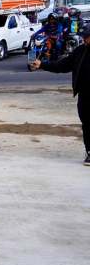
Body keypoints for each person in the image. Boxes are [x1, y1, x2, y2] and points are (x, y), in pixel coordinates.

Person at [31, 26, 90, 165]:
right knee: (87, 124)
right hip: (84, 95)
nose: (84, 39)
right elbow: (62, 65)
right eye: (84, 36)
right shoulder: (80, 51)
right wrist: (42, 65)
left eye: (87, 36)